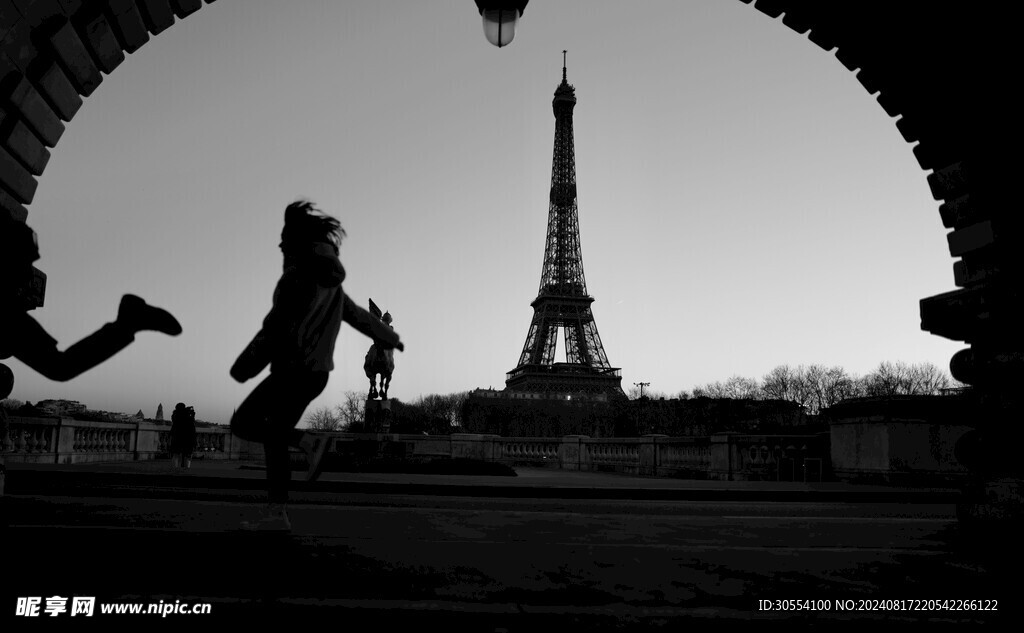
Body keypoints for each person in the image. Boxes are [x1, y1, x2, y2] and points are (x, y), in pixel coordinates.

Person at [230, 200, 403, 531]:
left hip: (292, 370)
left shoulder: (295, 279)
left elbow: (274, 329)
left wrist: (245, 366)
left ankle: (307, 445)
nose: (280, 246)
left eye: (284, 240)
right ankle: (277, 511)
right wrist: (390, 337)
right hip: (317, 374)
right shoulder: (332, 284)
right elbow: (358, 315)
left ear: (297, 244)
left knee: (245, 422)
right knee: (275, 436)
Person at [0, 217, 182, 383]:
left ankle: (129, 322)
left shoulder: (8, 315)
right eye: (23, 264)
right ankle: (129, 321)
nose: (27, 275)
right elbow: (59, 367)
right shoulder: (7, 315)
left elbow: (59, 367)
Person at [169, 402, 197, 470]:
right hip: (187, 438)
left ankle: (175, 469)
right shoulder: (186, 416)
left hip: (177, 437)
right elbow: (191, 426)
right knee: (187, 455)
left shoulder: (175, 415)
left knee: (176, 454)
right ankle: (186, 469)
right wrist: (192, 415)